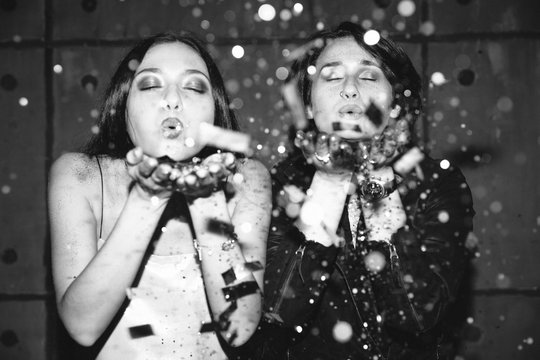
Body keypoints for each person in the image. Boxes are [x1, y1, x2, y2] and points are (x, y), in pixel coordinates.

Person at [48, 32, 271, 359]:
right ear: (123, 105)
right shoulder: (79, 175)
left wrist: (207, 201)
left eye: (194, 86)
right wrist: (147, 198)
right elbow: (82, 325)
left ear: (214, 109)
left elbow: (240, 324)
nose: (173, 99)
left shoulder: (246, 178)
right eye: (151, 85)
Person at [260, 22, 475, 359]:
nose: (349, 89)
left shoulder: (436, 183)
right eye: (331, 76)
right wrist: (331, 175)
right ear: (310, 107)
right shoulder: (281, 185)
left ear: (394, 104)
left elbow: (415, 315)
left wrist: (377, 172)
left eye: (369, 75)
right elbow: (282, 311)